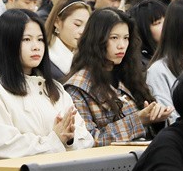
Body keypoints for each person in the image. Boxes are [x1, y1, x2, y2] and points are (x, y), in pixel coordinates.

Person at [0, 9, 94, 160]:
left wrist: (69, 139)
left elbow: (86, 138)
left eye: (40, 39)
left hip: (59, 169)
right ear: (8, 43)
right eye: (26, 39)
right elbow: (3, 148)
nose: (36, 46)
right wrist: (55, 140)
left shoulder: (55, 89)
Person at [65, 8, 172, 145]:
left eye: (126, 38)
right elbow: (87, 141)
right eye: (114, 38)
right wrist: (139, 120)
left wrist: (156, 118)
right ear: (97, 39)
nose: (122, 45)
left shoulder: (129, 75)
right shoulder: (77, 87)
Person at [45, 0, 91, 80]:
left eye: (87, 26)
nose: (83, 32)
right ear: (57, 22)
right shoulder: (44, 57)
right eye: (77, 24)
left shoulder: (87, 56)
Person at [128, 0, 167, 65]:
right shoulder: (140, 63)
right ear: (143, 30)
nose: (166, 25)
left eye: (167, 20)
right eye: (158, 23)